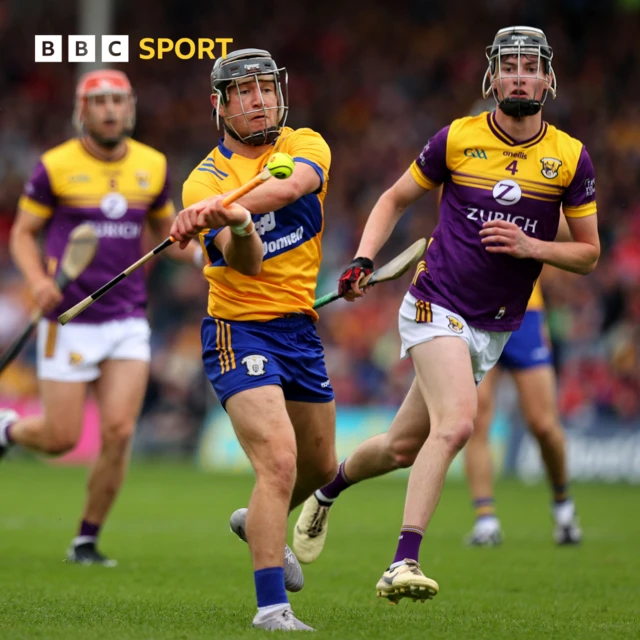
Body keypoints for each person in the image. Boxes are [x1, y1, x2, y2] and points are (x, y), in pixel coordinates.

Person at [293, 26, 599, 603]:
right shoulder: (456, 139)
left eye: (529, 66)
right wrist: (363, 258)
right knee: (457, 424)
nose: (518, 75)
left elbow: (588, 253)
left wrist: (535, 249)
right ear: (492, 75)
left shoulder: (571, 158)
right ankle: (402, 561)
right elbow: (392, 200)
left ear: (547, 78)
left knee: (401, 447)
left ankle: (326, 492)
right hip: (436, 303)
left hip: (496, 325)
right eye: (508, 65)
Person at [0, 69, 198, 566]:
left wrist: (203, 256)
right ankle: (7, 430)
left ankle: (86, 539)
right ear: (82, 110)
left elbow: (165, 237)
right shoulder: (55, 166)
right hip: (67, 317)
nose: (111, 110)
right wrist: (38, 282)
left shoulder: (152, 165)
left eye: (119, 101)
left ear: (130, 108)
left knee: (119, 432)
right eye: (100, 102)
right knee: (60, 437)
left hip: (127, 316)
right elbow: (24, 234)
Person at [169, 48, 337, 631]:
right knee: (280, 462)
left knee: (321, 467)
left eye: (265, 86)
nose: (259, 98)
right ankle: (272, 608)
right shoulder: (204, 178)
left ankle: (255, 520)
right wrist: (233, 222)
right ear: (221, 105)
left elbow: (297, 187)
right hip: (237, 328)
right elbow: (248, 265)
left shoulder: (305, 143)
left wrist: (226, 209)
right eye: (243, 91)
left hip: (299, 328)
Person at [464, 278, 581, 546]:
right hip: (475, 309)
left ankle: (563, 507)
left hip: (525, 312)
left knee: (543, 424)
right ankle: (485, 520)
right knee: (476, 419)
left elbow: (566, 240)